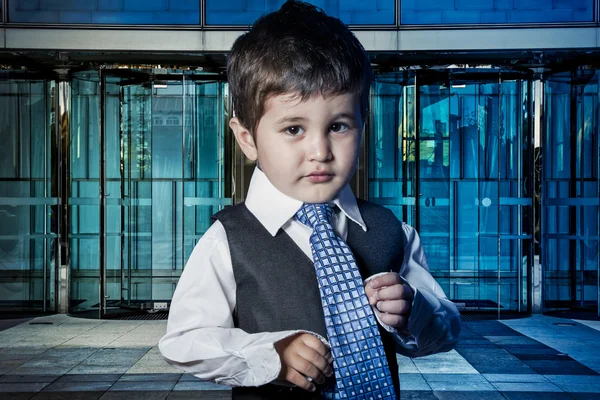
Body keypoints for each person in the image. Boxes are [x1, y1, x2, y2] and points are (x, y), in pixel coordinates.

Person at [158, 1, 461, 399]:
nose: (320, 150)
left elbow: (448, 329)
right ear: (247, 138)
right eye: (293, 128)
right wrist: (269, 355)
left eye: (338, 126)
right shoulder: (226, 240)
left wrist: (414, 310)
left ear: (362, 126)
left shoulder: (393, 231)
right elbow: (185, 340)